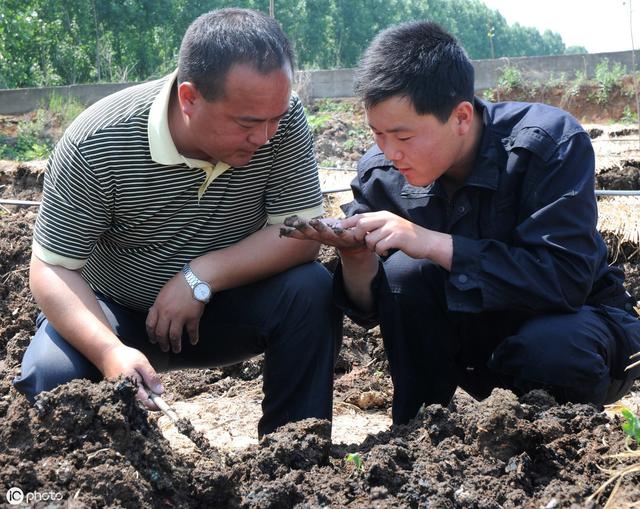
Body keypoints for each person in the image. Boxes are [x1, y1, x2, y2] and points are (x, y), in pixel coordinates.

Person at [281, 20, 640, 425]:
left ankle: (560, 447)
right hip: (472, 344)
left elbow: (566, 281)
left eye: (403, 135)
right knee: (402, 273)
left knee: (553, 348)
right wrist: (355, 256)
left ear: (462, 118)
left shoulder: (547, 145)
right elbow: (372, 310)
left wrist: (433, 242)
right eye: (377, 133)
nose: (389, 151)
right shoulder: (379, 174)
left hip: (578, 330)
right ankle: (416, 435)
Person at [14, 8, 341, 437]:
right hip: (116, 313)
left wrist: (199, 277)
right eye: (247, 123)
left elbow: (300, 237)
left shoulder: (279, 121)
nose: (264, 137)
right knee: (52, 377)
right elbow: (52, 268)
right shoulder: (99, 141)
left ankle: (295, 457)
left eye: (274, 119)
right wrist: (111, 353)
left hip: (223, 307)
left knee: (311, 290)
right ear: (189, 98)